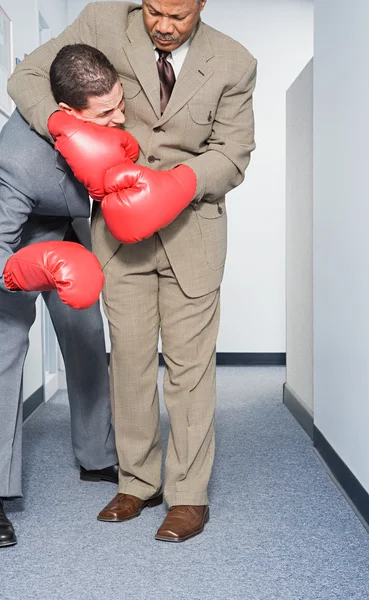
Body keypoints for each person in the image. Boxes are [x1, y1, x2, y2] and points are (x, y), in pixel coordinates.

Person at [8, 0, 257, 543]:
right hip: (119, 237)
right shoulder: (104, 20)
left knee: (189, 368)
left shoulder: (235, 62)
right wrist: (61, 126)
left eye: (179, 16)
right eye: (154, 11)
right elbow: (26, 76)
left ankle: (189, 496)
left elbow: (234, 150)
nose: (164, 26)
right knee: (130, 362)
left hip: (193, 230)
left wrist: (182, 183)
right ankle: (137, 480)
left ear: (202, 6)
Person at [0, 44, 134, 548]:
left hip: (66, 227)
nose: (120, 117)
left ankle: (97, 456)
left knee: (84, 333)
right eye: (106, 113)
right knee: (5, 347)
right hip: (15, 240)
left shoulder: (106, 109)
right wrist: (27, 270)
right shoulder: (15, 162)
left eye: (119, 102)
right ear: (66, 114)